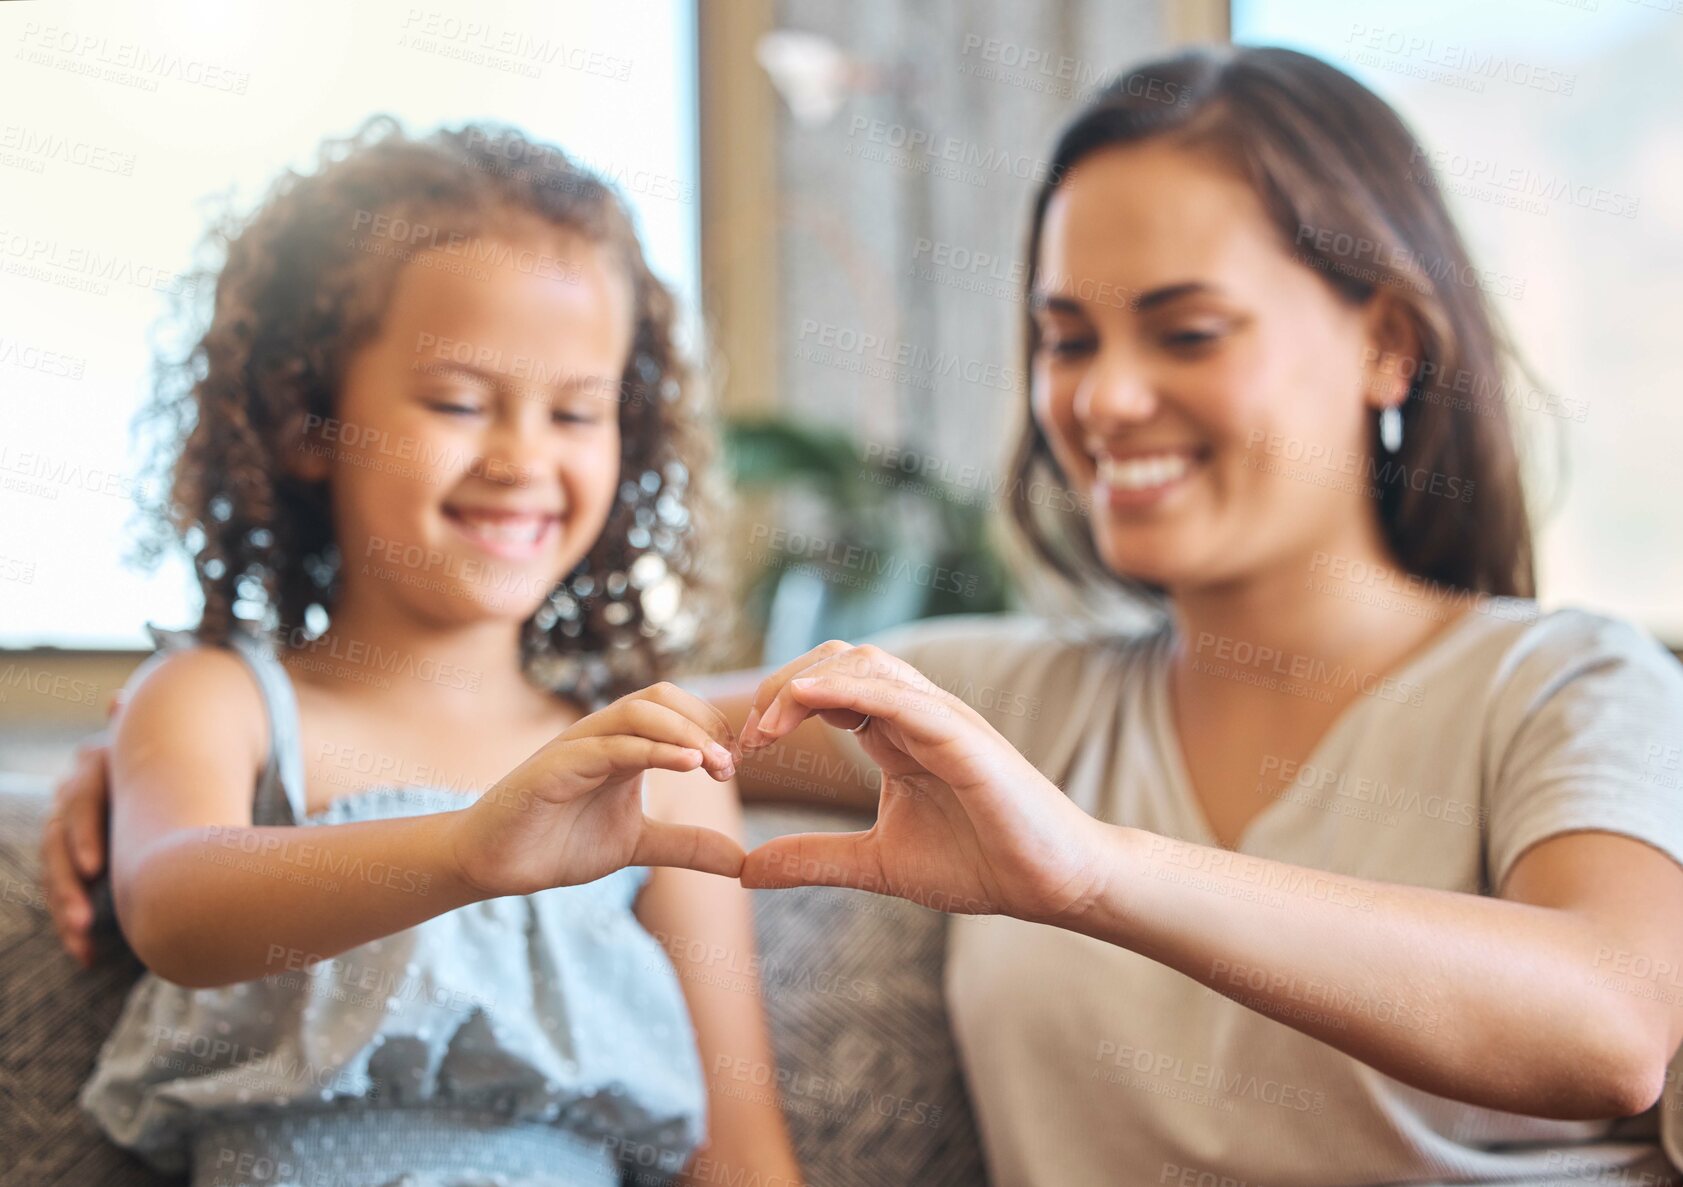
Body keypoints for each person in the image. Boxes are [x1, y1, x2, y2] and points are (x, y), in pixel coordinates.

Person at [47, 46, 1683, 1185]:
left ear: (1388, 344)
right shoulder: (1015, 698)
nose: (1102, 396)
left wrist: (1085, 866)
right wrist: (155, 763)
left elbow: (1610, 1021)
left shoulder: (1561, 683)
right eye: (1062, 335)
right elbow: (542, 739)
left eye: (1183, 330)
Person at [54, 116, 804, 1187]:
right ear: (308, 419)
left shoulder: (662, 776)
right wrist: (466, 849)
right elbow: (177, 908)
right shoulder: (214, 704)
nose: (522, 459)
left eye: (577, 412)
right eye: (459, 401)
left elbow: (742, 1157)